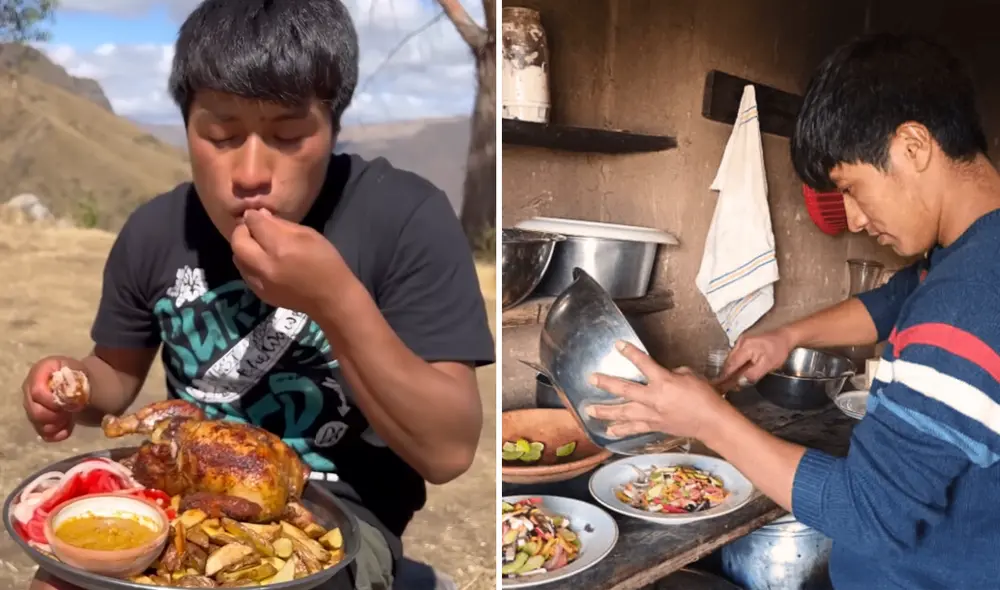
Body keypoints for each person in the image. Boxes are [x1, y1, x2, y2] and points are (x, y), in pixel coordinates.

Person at [20, 1, 494, 589]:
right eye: (221, 136)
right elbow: (115, 379)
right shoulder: (154, 232)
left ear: (333, 124)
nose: (250, 173)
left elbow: (447, 451)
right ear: (187, 126)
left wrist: (333, 299)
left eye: (288, 135)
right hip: (182, 497)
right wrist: (75, 386)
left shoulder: (405, 218)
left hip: (337, 521)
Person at [586, 33, 1000, 589]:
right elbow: (896, 300)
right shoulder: (970, 256)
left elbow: (870, 513)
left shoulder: (968, 297)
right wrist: (786, 337)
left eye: (850, 187)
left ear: (913, 146)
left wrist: (708, 420)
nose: (854, 219)